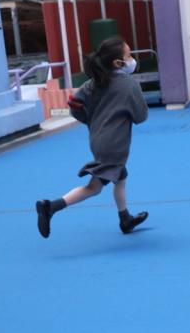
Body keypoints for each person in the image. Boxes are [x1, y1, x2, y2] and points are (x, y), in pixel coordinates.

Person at [36, 37, 150, 238]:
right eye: (129, 55)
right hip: (115, 145)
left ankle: (125, 218)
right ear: (118, 63)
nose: (132, 59)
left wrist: (92, 121)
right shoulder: (129, 84)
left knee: (121, 177)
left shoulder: (93, 83)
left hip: (98, 141)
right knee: (94, 188)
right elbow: (141, 116)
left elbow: (74, 105)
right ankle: (51, 206)